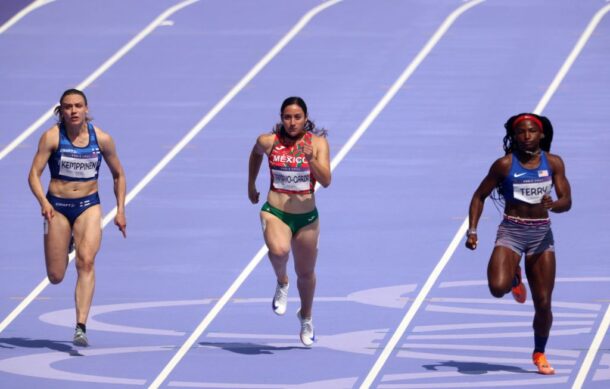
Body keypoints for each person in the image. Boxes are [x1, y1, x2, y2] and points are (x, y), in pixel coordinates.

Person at [465, 113, 571, 375]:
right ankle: (514, 277)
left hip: (540, 237)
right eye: (521, 133)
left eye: (531, 132)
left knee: (544, 303)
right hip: (512, 232)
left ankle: (539, 353)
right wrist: (472, 230)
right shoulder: (504, 165)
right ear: (513, 137)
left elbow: (566, 200)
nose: (526, 137)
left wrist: (554, 205)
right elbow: (479, 196)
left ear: (541, 134)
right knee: (497, 288)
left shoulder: (554, 163)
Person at [28, 88, 127, 347]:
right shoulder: (52, 137)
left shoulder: (102, 139)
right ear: (61, 111)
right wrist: (44, 202)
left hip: (88, 207)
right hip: (58, 208)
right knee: (56, 276)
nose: (73, 111)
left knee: (86, 262)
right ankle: (66, 239)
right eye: (68, 107)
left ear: (86, 109)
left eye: (78, 106)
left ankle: (81, 326)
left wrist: (120, 210)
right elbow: (33, 175)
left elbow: (119, 175)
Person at [248, 96, 331, 347]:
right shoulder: (269, 141)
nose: (292, 122)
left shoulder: (317, 144)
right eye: (287, 117)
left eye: (297, 117)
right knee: (279, 250)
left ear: (305, 119)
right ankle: (282, 282)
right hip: (276, 211)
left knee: (305, 274)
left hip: (306, 218)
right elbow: (255, 154)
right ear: (281, 118)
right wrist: (251, 183)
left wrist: (311, 159)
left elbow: (326, 180)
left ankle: (306, 317)